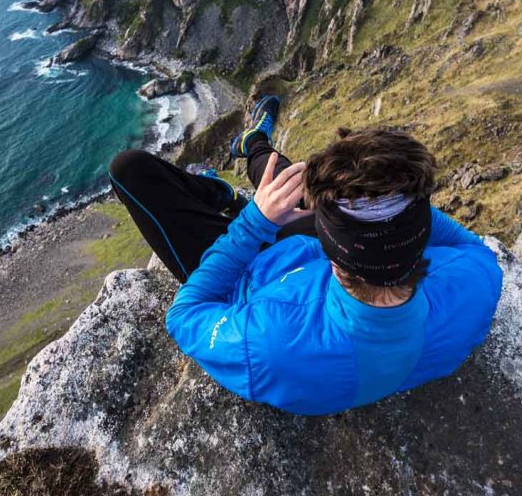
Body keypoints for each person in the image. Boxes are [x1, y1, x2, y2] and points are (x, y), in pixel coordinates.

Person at [107, 96, 502, 414]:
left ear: (329, 242)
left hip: (245, 272)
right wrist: (384, 208)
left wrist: (254, 223)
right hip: (334, 249)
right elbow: (463, 243)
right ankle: (254, 146)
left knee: (129, 168)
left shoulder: (266, 340)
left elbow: (184, 316)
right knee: (289, 184)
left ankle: (229, 192)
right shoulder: (476, 280)